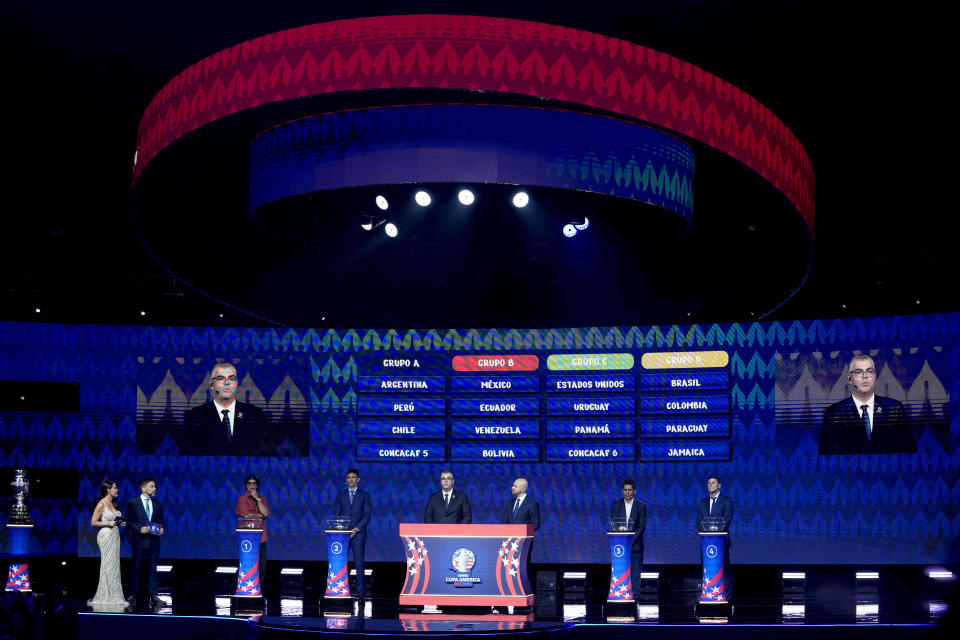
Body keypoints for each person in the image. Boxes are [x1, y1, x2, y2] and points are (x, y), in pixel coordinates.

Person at [818, 354, 916, 454]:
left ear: (875, 376)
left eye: (869, 371)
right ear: (850, 379)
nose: (865, 376)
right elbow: (826, 457)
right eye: (859, 372)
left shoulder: (895, 409)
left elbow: (910, 452)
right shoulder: (834, 414)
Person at [183, 362, 269, 456]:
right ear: (212, 384)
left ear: (236, 383)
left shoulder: (255, 415)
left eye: (231, 378)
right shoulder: (195, 417)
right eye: (221, 378)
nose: (227, 382)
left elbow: (263, 454)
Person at [331, 469, 372, 599]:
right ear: (346, 479)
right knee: (341, 564)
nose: (351, 479)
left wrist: (355, 530)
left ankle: (360, 594)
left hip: (358, 535)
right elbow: (336, 514)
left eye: (353, 477)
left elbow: (367, 515)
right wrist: (344, 530)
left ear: (358, 479)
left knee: (359, 564)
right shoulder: (340, 495)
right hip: (343, 535)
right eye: (348, 477)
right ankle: (340, 591)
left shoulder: (364, 495)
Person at [125, 477, 165, 606]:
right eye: (152, 486)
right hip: (139, 541)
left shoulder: (157, 503)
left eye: (154, 486)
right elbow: (128, 522)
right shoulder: (133, 503)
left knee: (153, 569)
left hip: (154, 541)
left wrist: (161, 529)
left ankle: (153, 595)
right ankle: (132, 594)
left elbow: (161, 521)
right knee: (136, 568)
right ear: (143, 488)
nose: (155, 488)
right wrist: (139, 529)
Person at [88, 480, 127, 607]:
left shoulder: (114, 504)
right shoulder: (101, 504)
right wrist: (108, 523)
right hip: (105, 535)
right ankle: (106, 596)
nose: (117, 490)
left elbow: (116, 521)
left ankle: (114, 595)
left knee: (114, 566)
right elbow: (93, 522)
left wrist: (121, 523)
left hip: (115, 535)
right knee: (108, 564)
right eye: (115, 488)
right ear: (108, 490)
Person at [696, 475, 733, 600]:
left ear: (719, 485)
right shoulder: (703, 502)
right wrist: (706, 532)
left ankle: (726, 597)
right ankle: (708, 595)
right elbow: (699, 521)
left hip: (720, 541)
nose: (710, 485)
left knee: (725, 569)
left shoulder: (726, 501)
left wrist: (715, 531)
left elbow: (727, 519)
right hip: (706, 542)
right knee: (706, 568)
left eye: (713, 483)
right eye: (708, 483)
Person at [609, 479, 646, 590]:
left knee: (635, 573)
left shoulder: (641, 506)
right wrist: (622, 539)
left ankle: (635, 598)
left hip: (635, 545)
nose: (627, 492)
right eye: (625, 490)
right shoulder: (616, 505)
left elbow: (642, 526)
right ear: (622, 491)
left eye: (630, 490)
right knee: (620, 573)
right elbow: (613, 523)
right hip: (620, 547)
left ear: (634, 491)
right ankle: (620, 595)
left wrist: (630, 539)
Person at [235, 474, 271, 587]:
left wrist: (258, 499)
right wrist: (258, 515)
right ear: (246, 486)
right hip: (248, 538)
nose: (252, 486)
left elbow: (265, 514)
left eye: (254, 484)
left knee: (261, 568)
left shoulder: (262, 499)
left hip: (261, 538)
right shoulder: (242, 499)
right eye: (249, 484)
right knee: (248, 567)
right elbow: (246, 517)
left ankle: (259, 592)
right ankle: (246, 589)